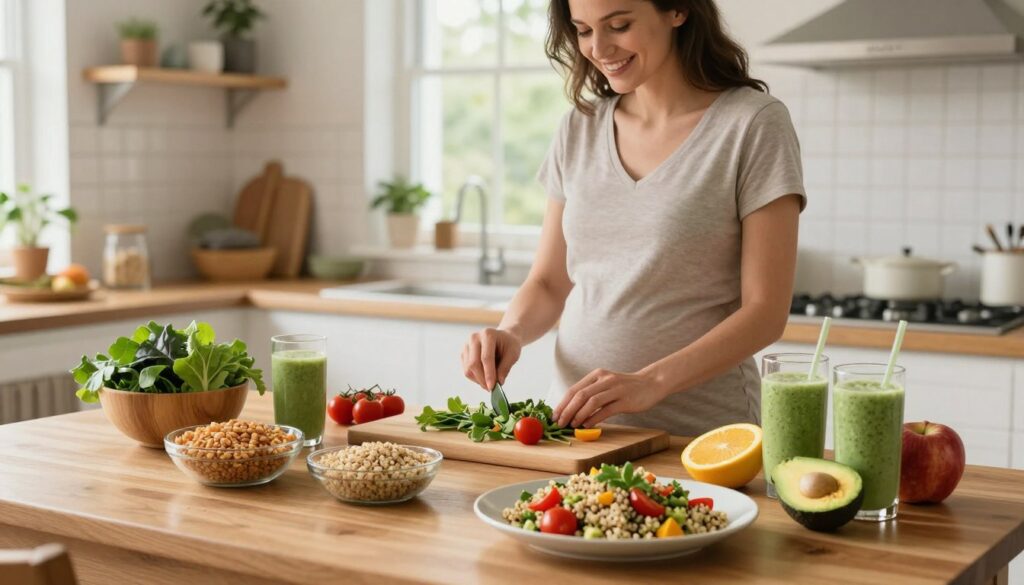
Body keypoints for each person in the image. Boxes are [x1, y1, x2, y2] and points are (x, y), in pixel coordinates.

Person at [459, 0, 804, 436]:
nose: (599, 48)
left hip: (701, 436)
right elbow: (549, 282)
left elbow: (766, 312)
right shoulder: (578, 128)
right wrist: (510, 332)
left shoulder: (752, 125)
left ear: (677, 10)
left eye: (618, 25)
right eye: (583, 30)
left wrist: (650, 382)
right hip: (576, 433)